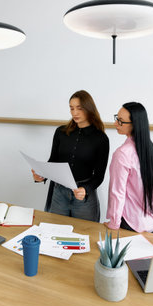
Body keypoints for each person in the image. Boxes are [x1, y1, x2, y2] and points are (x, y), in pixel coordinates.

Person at [32, 90, 109, 222]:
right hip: (59, 193)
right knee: (54, 232)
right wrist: (42, 175)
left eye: (79, 108)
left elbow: (99, 176)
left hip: (83, 196)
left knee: (86, 234)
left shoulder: (101, 138)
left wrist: (85, 189)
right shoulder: (60, 132)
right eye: (71, 108)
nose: (74, 113)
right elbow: (53, 161)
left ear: (89, 108)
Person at [105, 102, 153, 233]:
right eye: (116, 118)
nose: (115, 124)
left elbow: (117, 192)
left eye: (120, 121)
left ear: (134, 124)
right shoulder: (148, 146)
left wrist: (114, 223)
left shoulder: (122, 154)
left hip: (132, 224)